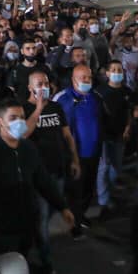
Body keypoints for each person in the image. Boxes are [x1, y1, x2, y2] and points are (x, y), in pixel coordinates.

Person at [0, 100, 76, 262]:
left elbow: (43, 181)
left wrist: (62, 207)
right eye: (13, 118)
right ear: (0, 122)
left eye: (22, 117)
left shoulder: (29, 149)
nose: (19, 122)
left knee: (21, 265)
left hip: (25, 225)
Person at [24, 71, 80, 274]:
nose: (44, 87)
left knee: (52, 212)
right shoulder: (24, 109)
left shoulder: (56, 108)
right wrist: (38, 109)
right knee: (42, 218)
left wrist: (74, 159)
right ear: (30, 88)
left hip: (57, 170)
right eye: (39, 84)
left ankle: (37, 237)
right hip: (39, 176)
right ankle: (46, 262)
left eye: (46, 82)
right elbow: (23, 134)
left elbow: (67, 135)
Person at [55, 65, 102, 238]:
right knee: (75, 190)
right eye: (82, 78)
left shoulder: (95, 97)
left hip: (93, 152)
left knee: (88, 187)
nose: (86, 81)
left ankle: (81, 215)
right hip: (74, 154)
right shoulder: (63, 99)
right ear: (73, 79)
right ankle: (75, 224)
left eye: (88, 77)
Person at [96, 60, 132, 215]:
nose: (117, 73)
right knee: (103, 167)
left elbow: (129, 112)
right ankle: (103, 200)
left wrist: (128, 127)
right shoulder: (99, 91)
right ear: (108, 73)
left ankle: (110, 192)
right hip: (103, 134)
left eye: (119, 70)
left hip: (119, 134)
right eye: (114, 70)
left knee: (116, 167)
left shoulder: (127, 91)